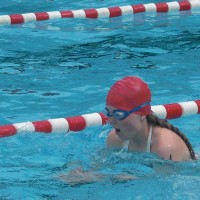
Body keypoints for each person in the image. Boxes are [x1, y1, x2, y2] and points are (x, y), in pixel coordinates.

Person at [105, 76, 196, 161]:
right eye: (108, 113)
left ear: (142, 114)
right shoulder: (114, 139)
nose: (110, 120)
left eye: (119, 114)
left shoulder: (165, 147)